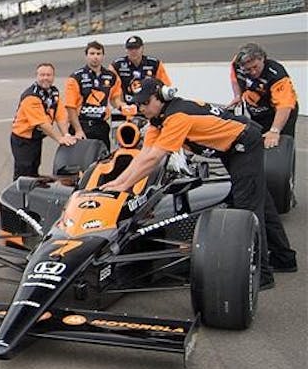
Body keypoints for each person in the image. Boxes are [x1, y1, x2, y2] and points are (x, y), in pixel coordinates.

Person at [101, 78, 297, 287]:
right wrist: (118, 183)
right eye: (138, 104)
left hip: (243, 143)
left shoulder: (177, 117)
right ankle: (284, 259)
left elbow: (153, 159)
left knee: (247, 209)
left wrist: (124, 186)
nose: (141, 108)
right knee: (262, 202)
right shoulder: (157, 120)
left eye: (145, 102)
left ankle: (263, 275)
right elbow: (142, 156)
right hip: (230, 148)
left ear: (162, 97)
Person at [10, 63, 77, 179]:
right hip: (23, 140)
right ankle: (18, 196)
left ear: (53, 76)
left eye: (49, 75)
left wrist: (66, 134)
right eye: (42, 75)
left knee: (34, 169)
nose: (45, 78)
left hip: (36, 138)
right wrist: (60, 139)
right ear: (37, 76)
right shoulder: (31, 97)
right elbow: (42, 124)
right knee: (24, 173)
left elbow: (60, 115)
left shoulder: (54, 93)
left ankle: (32, 193)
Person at [228, 42, 299, 149]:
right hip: (258, 110)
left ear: (262, 59)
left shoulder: (276, 75)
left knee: (278, 144)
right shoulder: (237, 64)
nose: (253, 72)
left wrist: (275, 131)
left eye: (255, 67)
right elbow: (235, 79)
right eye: (248, 69)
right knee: (257, 141)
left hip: (281, 112)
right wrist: (238, 96)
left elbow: (284, 105)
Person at [65, 41, 126, 152]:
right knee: (82, 162)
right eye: (92, 53)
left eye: (98, 54)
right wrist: (78, 130)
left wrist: (123, 107)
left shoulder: (111, 76)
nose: (95, 57)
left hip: (101, 126)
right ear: (86, 56)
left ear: (103, 56)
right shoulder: (75, 77)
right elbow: (70, 107)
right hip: (82, 125)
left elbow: (114, 99)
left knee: (103, 161)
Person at [111, 35, 172, 110]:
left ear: (142, 48)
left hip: (150, 108)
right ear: (126, 50)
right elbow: (113, 93)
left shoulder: (154, 63)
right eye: (130, 48)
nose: (133, 51)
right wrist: (121, 106)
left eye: (136, 48)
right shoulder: (117, 65)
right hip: (128, 108)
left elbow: (165, 87)